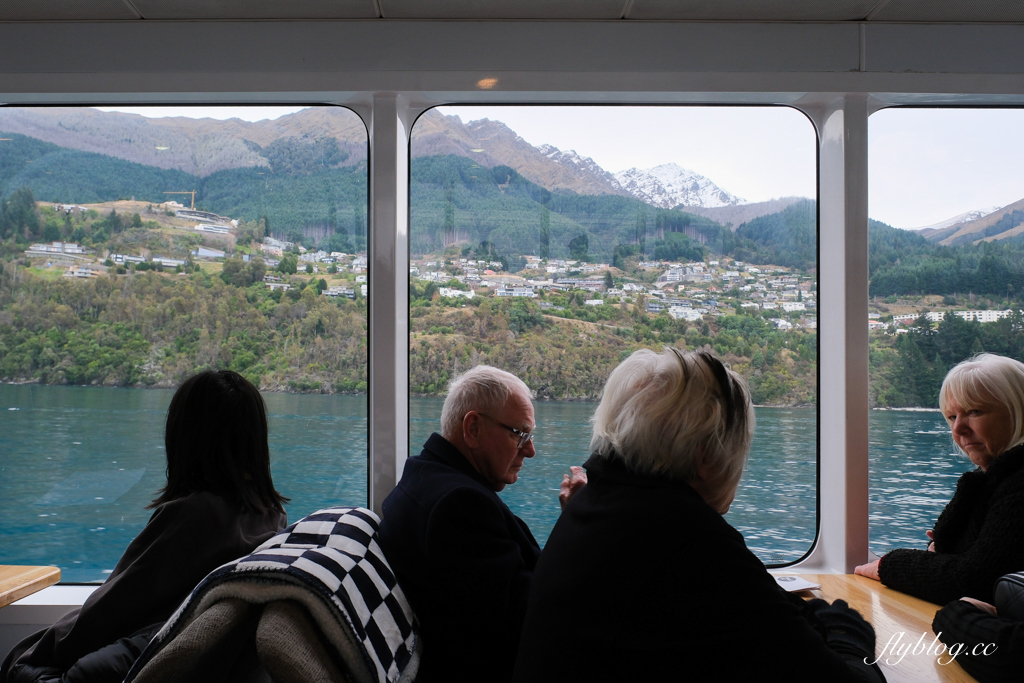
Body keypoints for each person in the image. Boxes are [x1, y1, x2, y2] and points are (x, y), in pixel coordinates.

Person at [512, 348, 885, 683]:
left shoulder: (596, 508)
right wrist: (848, 629)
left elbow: (762, 610)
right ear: (706, 454)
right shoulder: (683, 539)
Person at [1, 370, 289, 683]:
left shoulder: (193, 517)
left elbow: (111, 608)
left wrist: (32, 652)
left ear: (185, 436)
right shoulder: (272, 517)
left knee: (17, 663)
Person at [377, 365, 585, 683]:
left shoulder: (421, 477)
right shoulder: (459, 507)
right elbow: (533, 621)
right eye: (520, 434)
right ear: (473, 428)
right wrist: (575, 526)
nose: (530, 450)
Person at [855, 353, 1024, 605]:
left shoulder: (1018, 484)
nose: (957, 429)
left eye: (975, 412)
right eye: (952, 417)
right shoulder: (989, 480)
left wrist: (887, 564)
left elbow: (973, 581)